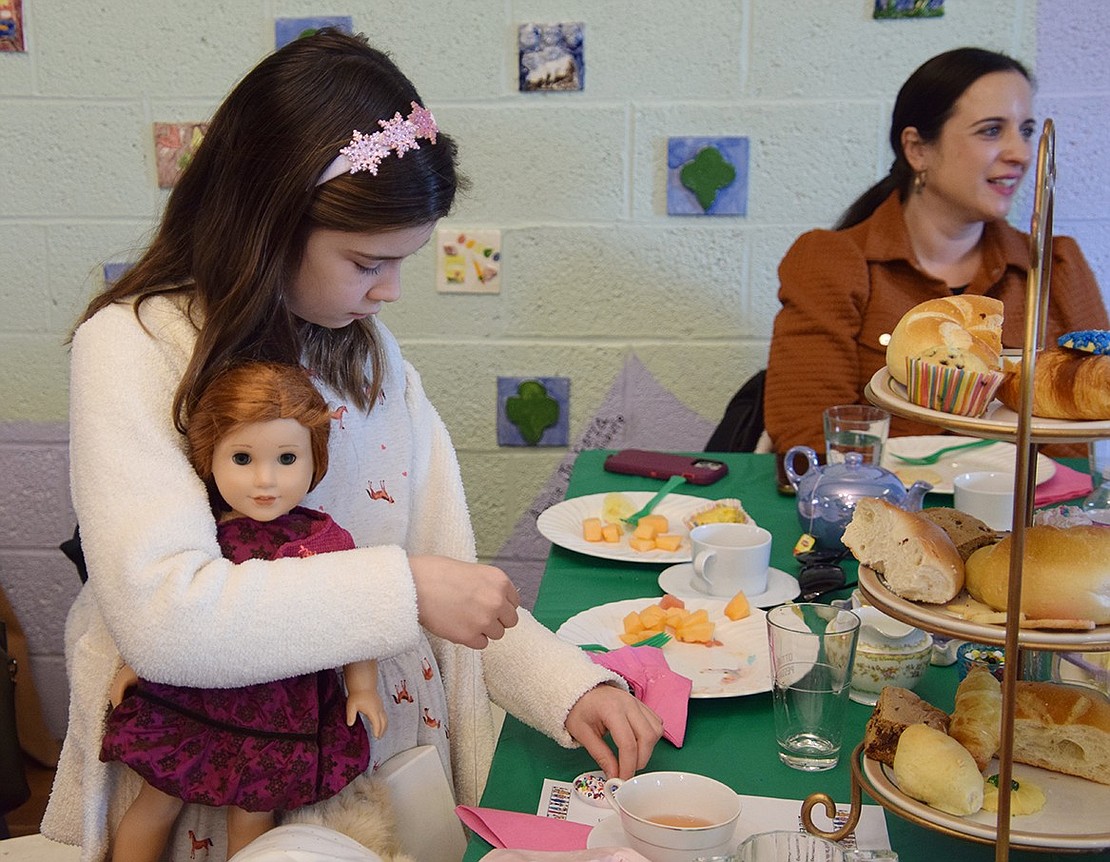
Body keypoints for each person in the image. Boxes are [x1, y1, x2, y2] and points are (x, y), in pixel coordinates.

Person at [42, 30, 662, 862]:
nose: (391, 290)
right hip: (207, 775)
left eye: (404, 260)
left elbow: (449, 579)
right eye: (369, 261)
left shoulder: (369, 355)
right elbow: (165, 617)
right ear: (267, 222)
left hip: (372, 754)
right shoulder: (135, 345)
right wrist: (404, 589)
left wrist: (564, 684)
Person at [101, 362, 388, 861]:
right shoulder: (198, 534)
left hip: (281, 708)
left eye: (287, 457)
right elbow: (164, 607)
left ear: (314, 459)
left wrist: (362, 687)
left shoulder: (325, 542)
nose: (265, 479)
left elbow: (355, 618)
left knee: (254, 817)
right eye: (241, 457)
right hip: (192, 693)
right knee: (158, 800)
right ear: (208, 458)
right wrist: (138, 662)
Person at [764, 47, 1109, 457]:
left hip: (1027, 514)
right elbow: (811, 436)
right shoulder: (834, 261)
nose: (1021, 153)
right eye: (991, 130)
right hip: (890, 510)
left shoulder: (1057, 265)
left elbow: (1083, 438)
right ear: (917, 149)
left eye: (1027, 130)